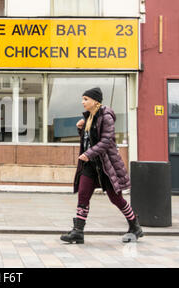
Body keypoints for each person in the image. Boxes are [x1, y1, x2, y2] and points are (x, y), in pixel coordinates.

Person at [60, 87, 143, 244]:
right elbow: (89, 139)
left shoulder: (106, 117)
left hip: (106, 165)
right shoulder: (89, 117)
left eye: (85, 99)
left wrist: (88, 154)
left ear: (95, 101)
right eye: (82, 99)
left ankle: (135, 226)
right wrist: (80, 130)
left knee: (116, 198)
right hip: (90, 166)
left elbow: (105, 141)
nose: (82, 102)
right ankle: (78, 231)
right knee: (83, 194)